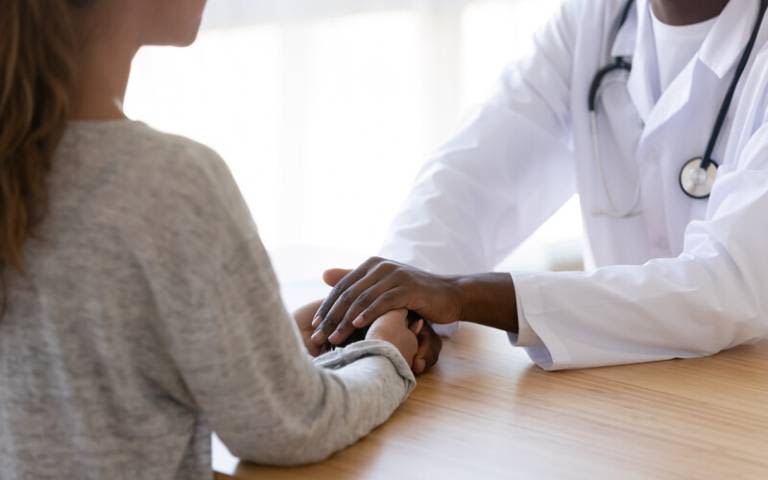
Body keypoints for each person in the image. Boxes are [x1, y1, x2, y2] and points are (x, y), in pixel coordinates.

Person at [0, 1, 425, 478]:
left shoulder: (24, 157)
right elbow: (291, 426)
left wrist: (264, 346)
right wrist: (385, 354)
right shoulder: (170, 181)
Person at [308, 0, 768, 371]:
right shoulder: (596, 18)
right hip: (625, 396)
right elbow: (470, 176)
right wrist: (399, 308)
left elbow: (730, 286)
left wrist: (462, 295)